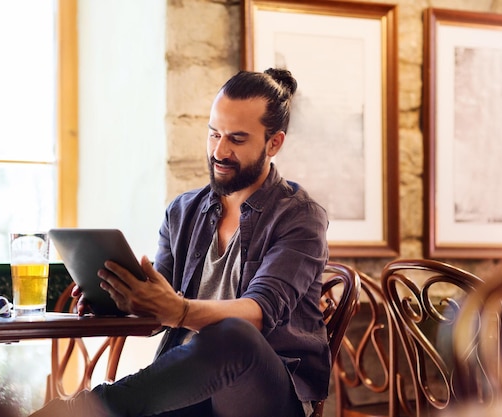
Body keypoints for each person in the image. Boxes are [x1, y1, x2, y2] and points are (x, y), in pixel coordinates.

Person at [30, 68, 330, 417]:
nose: (219, 151)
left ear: (273, 143)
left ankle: (89, 409)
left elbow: (260, 314)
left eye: (237, 139)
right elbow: (159, 310)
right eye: (214, 134)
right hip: (190, 393)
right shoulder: (183, 211)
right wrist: (120, 298)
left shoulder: (301, 217)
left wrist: (180, 310)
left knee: (236, 334)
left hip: (262, 396)